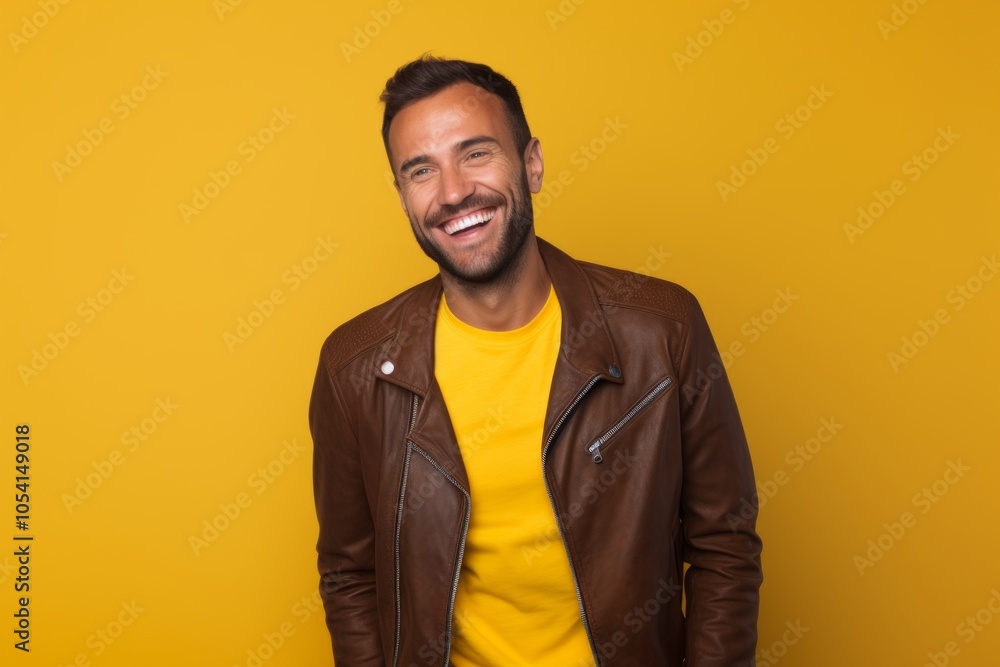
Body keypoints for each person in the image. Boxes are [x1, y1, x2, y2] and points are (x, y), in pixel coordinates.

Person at [309, 55, 763, 667]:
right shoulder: (354, 368)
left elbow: (723, 546)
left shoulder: (661, 329)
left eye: (476, 153)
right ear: (402, 196)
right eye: (421, 170)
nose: (452, 192)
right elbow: (350, 575)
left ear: (532, 163)